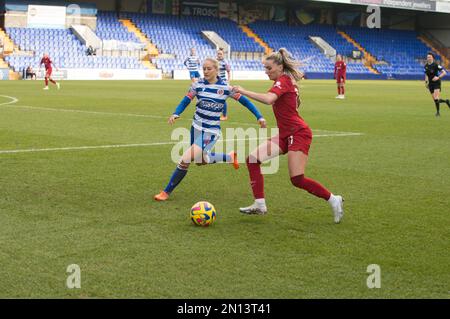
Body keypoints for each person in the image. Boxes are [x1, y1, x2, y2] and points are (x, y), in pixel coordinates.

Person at [232, 48, 344, 224]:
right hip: (285, 133)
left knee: (297, 179)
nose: (266, 71)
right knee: (253, 159)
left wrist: (243, 91)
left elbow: (269, 100)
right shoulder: (283, 81)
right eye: (265, 68)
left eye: (269, 68)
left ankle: (333, 199)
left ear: (279, 66)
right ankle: (260, 204)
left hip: (298, 134)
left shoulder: (283, 80)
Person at [154, 58, 266, 201]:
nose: (205, 71)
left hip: (211, 131)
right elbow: (186, 100)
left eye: (209, 69)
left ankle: (166, 192)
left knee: (186, 159)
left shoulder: (226, 88)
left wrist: (259, 116)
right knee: (200, 161)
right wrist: (176, 113)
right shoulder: (197, 85)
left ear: (216, 70)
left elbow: (246, 102)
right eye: (204, 68)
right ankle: (229, 157)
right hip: (196, 128)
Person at [424, 52, 449, 117]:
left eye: (429, 57)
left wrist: (438, 77)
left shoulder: (436, 65)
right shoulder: (426, 66)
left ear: (432, 58)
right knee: (435, 100)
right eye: (427, 57)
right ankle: (446, 101)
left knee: (436, 98)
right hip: (430, 84)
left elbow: (444, 72)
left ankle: (438, 112)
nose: (428, 58)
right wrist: (426, 82)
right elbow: (426, 74)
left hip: (436, 82)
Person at [217, 48, 231, 121]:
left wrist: (228, 81)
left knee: (222, 99)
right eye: (218, 54)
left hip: (222, 82)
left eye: (220, 54)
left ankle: (224, 116)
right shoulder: (215, 61)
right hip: (216, 82)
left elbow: (228, 72)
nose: (219, 55)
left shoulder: (225, 62)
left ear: (223, 55)